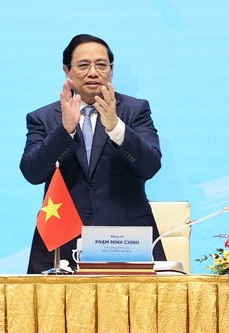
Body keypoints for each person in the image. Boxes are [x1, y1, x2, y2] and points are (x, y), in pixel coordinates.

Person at [20, 34, 166, 274]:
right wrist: (65, 131)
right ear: (67, 70)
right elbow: (32, 173)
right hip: (62, 242)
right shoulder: (43, 118)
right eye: (83, 65)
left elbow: (150, 165)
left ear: (111, 70)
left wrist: (115, 127)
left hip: (125, 243)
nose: (93, 73)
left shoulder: (135, 110)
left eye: (101, 65)